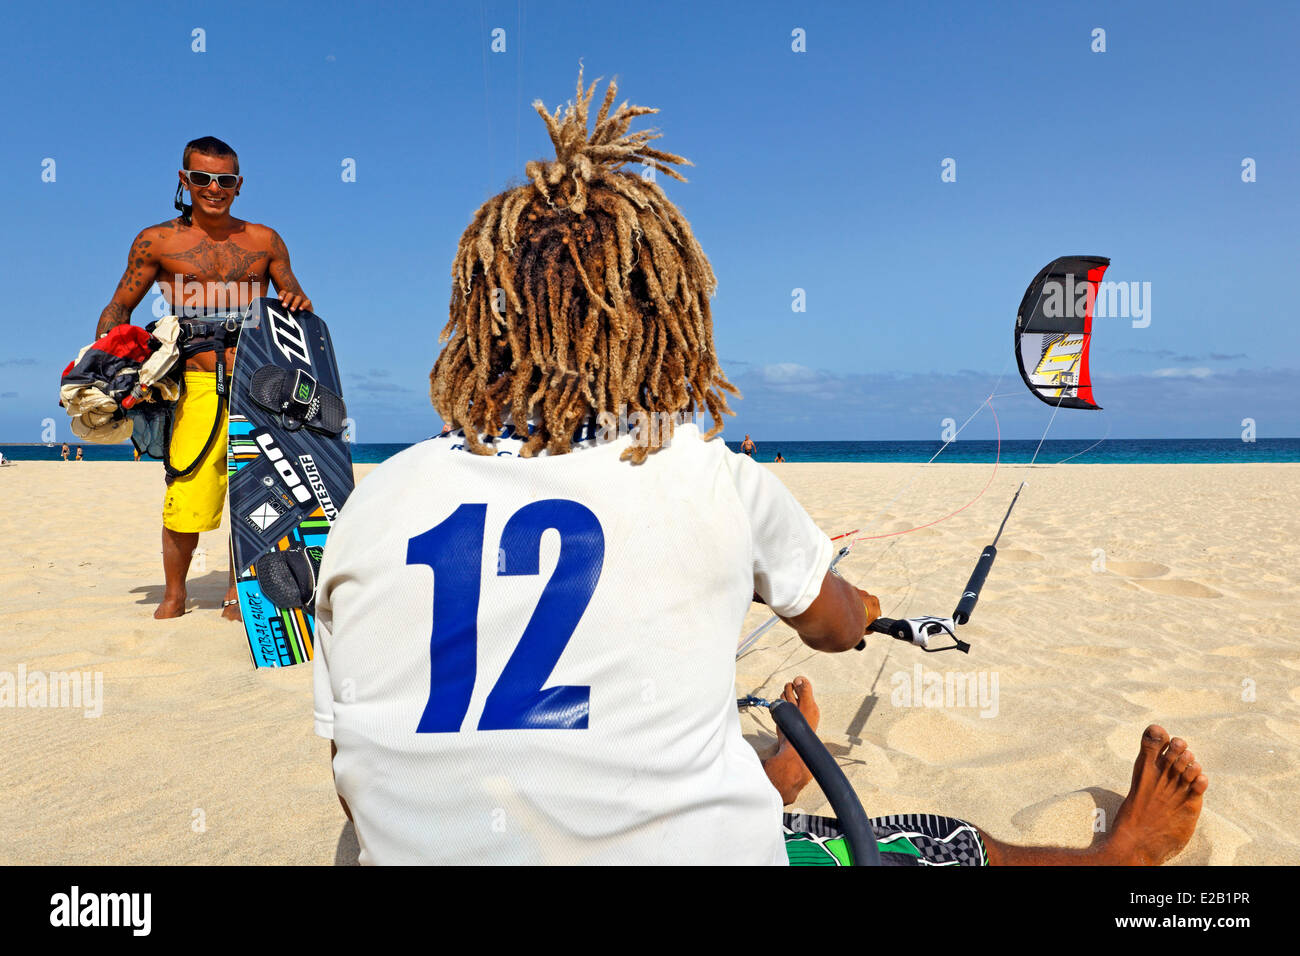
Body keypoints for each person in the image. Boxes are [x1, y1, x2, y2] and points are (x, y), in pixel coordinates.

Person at [312, 72, 1206, 865]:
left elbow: (354, 777)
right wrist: (868, 612)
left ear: (482, 319)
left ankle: (755, 784)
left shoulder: (376, 499)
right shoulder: (705, 474)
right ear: (667, 318)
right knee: (943, 845)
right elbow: (834, 626)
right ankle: (1119, 862)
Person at [94, 136, 313, 620]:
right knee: (187, 484)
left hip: (260, 381)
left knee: (258, 485)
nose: (214, 188)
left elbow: (293, 295)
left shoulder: (265, 240)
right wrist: (103, 364)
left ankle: (240, 587)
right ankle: (176, 592)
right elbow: (120, 306)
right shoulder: (157, 241)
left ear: (239, 185)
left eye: (225, 180)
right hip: (195, 381)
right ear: (184, 180)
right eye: (202, 178)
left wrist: (299, 301)